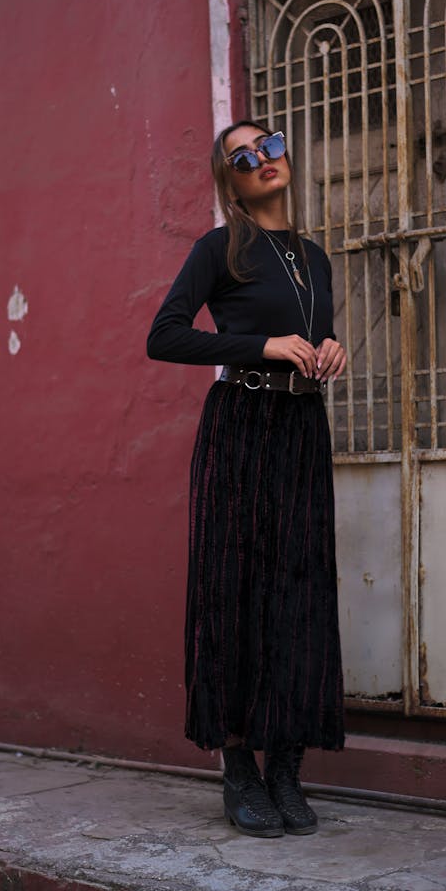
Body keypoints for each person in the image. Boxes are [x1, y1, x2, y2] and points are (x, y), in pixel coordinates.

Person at [147, 120, 346, 838]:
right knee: (233, 592)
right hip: (240, 429)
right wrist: (260, 344)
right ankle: (239, 769)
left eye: (272, 145)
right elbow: (164, 334)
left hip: (300, 432)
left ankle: (286, 770)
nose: (263, 158)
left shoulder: (315, 257)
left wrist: (329, 350)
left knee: (301, 589)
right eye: (244, 156)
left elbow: (310, 334)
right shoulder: (219, 248)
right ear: (229, 179)